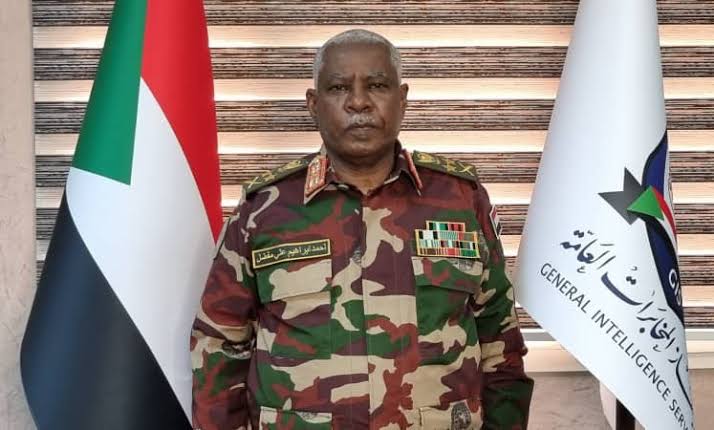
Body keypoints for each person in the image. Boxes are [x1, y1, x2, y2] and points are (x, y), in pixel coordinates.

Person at [191, 29, 533, 430]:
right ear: (314, 104)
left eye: (377, 85)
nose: (358, 102)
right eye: (339, 88)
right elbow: (220, 344)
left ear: (402, 99)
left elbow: (500, 342)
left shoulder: (459, 200)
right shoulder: (264, 210)